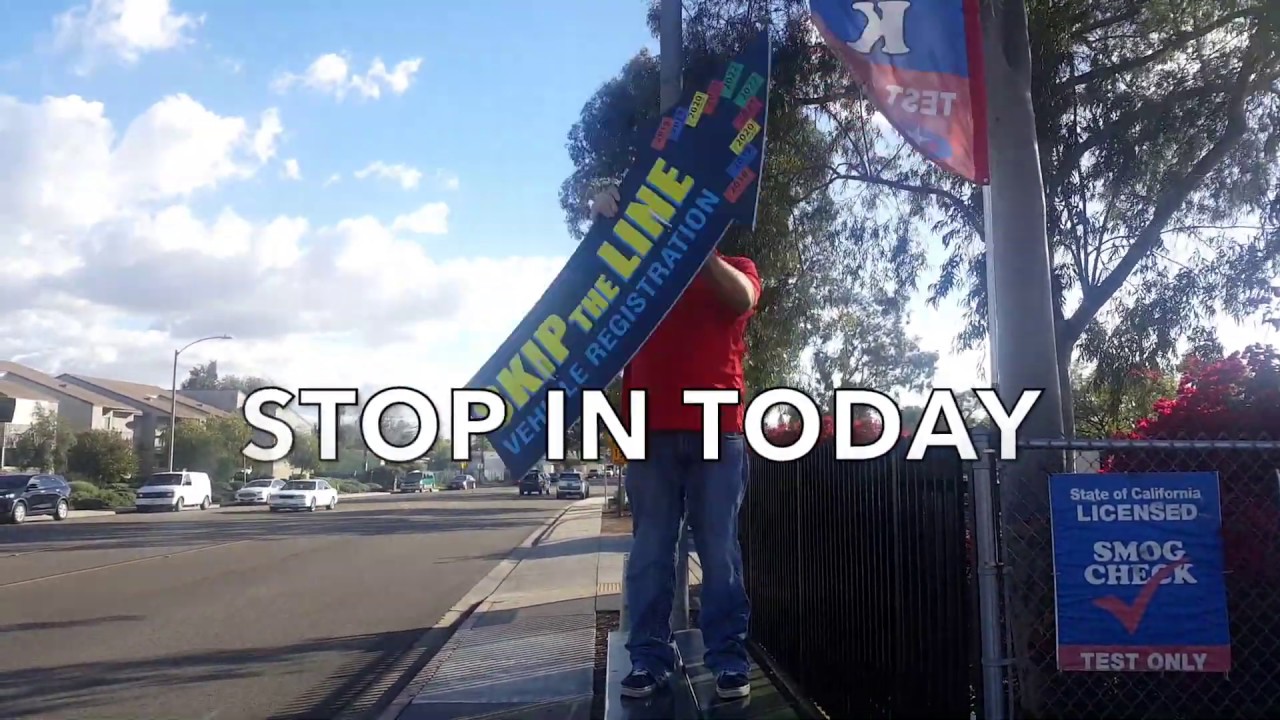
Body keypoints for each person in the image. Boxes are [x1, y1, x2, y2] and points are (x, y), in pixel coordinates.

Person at [589, 186, 762, 700]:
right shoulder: (642, 269)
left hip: (717, 428)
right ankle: (647, 658)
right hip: (648, 429)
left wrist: (696, 248)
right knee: (650, 551)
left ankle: (728, 660)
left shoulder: (736, 267)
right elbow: (596, 281)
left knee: (718, 550)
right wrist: (601, 217)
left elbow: (744, 298)